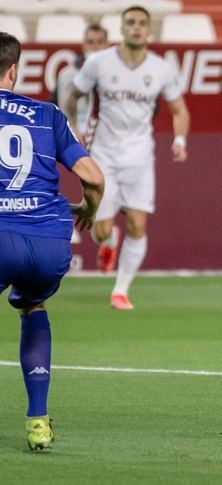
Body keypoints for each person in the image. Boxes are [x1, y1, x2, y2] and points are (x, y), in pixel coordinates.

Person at [0, 32, 104, 451]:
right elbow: (94, 177)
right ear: (14, 70)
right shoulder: (47, 113)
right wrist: (88, 212)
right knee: (33, 306)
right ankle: (38, 420)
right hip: (47, 239)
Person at [64, 5, 190, 310]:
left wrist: (180, 139)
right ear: (122, 28)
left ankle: (120, 290)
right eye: (130, 22)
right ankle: (108, 243)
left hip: (139, 157)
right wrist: (74, 128)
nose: (136, 27)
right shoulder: (98, 62)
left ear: (149, 30)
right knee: (100, 229)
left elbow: (179, 110)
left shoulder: (161, 69)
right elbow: (72, 97)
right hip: (104, 155)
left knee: (137, 223)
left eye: (141, 23)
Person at [53, 24, 108, 134]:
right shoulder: (67, 75)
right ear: (84, 45)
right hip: (74, 134)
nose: (95, 47)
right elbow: (57, 108)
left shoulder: (115, 74)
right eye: (90, 42)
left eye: (100, 42)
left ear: (107, 45)